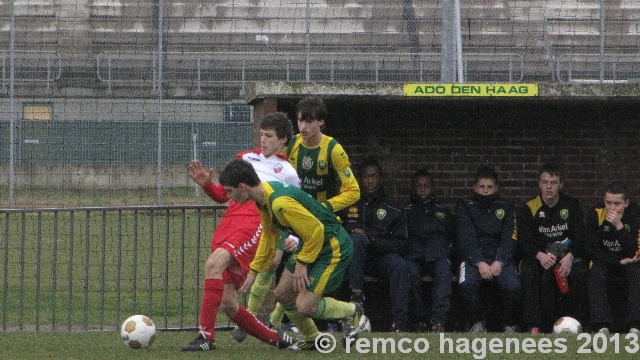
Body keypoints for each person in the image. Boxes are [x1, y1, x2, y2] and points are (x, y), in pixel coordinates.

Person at [218, 159, 370, 351]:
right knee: (283, 294)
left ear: (242, 186)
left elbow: (317, 230)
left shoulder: (280, 203)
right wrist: (254, 269)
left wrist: (302, 264)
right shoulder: (264, 198)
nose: (228, 196)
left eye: (230, 190)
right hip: (312, 245)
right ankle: (313, 338)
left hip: (332, 246)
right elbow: (269, 235)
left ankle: (353, 312)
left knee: (305, 306)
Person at [180, 112, 300, 351]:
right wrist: (206, 185)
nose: (263, 140)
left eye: (269, 136)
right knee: (227, 302)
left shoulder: (287, 171)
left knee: (213, 264)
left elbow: (293, 208)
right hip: (229, 225)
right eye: (261, 135)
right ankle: (278, 341)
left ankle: (205, 337)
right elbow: (224, 195)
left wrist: (292, 237)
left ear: (283, 140)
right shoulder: (244, 158)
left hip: (254, 225)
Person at [244, 96, 360, 334]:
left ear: (321, 122)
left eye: (309, 121)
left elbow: (353, 191)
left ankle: (273, 322)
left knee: (299, 288)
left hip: (319, 224)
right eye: (300, 121)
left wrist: (324, 207)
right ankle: (261, 322)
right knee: (277, 271)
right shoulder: (293, 144)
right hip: (292, 219)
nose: (304, 127)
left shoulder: (332, 149)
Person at [341, 157, 412, 332]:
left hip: (381, 259)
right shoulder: (348, 203)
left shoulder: (393, 208)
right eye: (366, 177)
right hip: (354, 261)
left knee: (401, 265)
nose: (370, 181)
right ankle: (356, 296)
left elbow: (402, 244)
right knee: (355, 239)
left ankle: (399, 322)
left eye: (374, 176)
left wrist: (372, 240)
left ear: (380, 179)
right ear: (360, 179)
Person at [517, 163, 589, 334]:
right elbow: (524, 240)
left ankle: (579, 324)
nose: (549, 187)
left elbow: (581, 237)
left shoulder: (571, 205)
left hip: (566, 256)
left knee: (581, 273)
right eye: (545, 182)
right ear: (539, 184)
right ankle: (534, 325)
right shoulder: (529, 207)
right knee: (528, 272)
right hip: (540, 256)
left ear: (561, 184)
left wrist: (570, 256)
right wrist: (539, 255)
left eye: (554, 182)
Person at [456, 166, 521, 333]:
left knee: (513, 286)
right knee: (466, 283)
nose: (485, 191)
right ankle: (477, 323)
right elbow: (465, 237)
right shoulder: (465, 205)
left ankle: (509, 324)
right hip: (474, 259)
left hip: (500, 259)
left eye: (489, 187)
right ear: (475, 187)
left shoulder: (506, 207)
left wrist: (499, 261)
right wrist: (479, 262)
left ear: (496, 188)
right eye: (482, 187)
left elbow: (510, 237)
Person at [403, 169, 455, 333]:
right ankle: (419, 321)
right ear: (413, 188)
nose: (423, 189)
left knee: (444, 270)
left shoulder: (442, 211)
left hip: (437, 255)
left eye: (426, 185)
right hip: (414, 255)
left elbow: (451, 236)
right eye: (419, 186)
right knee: (410, 273)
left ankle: (438, 322)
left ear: (432, 188)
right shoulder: (405, 211)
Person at [586, 182, 640, 335]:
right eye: (608, 203)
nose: (612, 208)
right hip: (606, 261)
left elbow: (634, 248)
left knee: (636, 272)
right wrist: (615, 261)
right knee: (596, 272)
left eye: (617, 203)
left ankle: (635, 326)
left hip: (630, 261)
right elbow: (592, 248)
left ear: (626, 202)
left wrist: (619, 226)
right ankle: (601, 326)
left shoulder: (635, 214)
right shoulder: (597, 213)